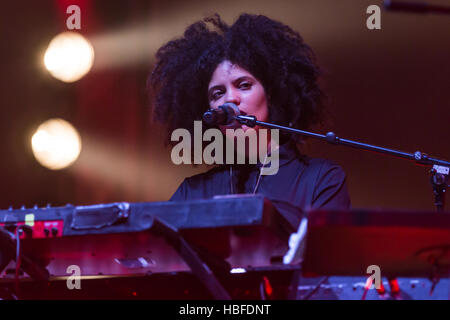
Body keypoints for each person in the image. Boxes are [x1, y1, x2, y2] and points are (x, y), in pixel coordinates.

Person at [149, 13, 350, 232]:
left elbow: (327, 261)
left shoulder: (319, 179)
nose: (230, 99)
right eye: (217, 93)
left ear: (272, 94)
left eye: (244, 85)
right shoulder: (193, 193)